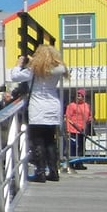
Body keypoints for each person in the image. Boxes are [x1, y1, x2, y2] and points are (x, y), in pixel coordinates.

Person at [10, 44, 70, 183]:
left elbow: (14, 76)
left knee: (37, 141)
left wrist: (19, 63)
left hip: (37, 107)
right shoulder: (59, 69)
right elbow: (59, 67)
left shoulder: (34, 70)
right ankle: (54, 171)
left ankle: (40, 172)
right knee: (50, 140)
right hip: (53, 106)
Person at [65, 89, 92, 170]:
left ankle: (79, 163)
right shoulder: (71, 106)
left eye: (80, 95)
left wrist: (90, 118)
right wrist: (67, 129)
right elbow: (68, 117)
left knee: (81, 148)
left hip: (83, 130)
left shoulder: (86, 105)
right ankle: (71, 163)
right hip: (73, 130)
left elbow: (89, 114)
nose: (78, 97)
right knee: (73, 147)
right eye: (77, 95)